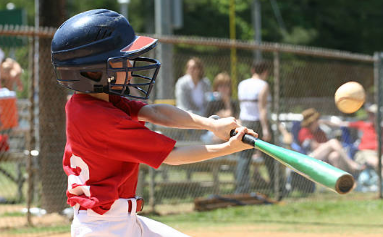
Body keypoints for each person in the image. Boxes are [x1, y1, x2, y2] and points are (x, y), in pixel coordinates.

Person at [51, 9, 257, 237]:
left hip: (119, 220)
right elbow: (173, 154)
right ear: (94, 72)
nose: (130, 66)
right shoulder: (102, 120)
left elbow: (156, 112)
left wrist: (211, 125)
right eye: (122, 62)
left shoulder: (91, 102)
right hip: (105, 228)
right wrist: (228, 149)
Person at [235, 61, 279, 195]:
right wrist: (265, 129)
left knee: (244, 157)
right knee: (271, 156)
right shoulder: (263, 85)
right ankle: (277, 188)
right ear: (265, 72)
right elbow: (262, 109)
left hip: (245, 122)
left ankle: (241, 189)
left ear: (253, 70)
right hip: (258, 123)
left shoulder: (242, 84)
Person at [298, 108, 363, 175]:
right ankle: (350, 163)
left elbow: (326, 146)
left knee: (334, 156)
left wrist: (329, 146)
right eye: (316, 120)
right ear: (311, 122)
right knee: (333, 142)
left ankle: (340, 179)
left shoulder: (319, 132)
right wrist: (329, 145)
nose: (318, 122)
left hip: (321, 156)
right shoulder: (304, 131)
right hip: (308, 159)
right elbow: (315, 146)